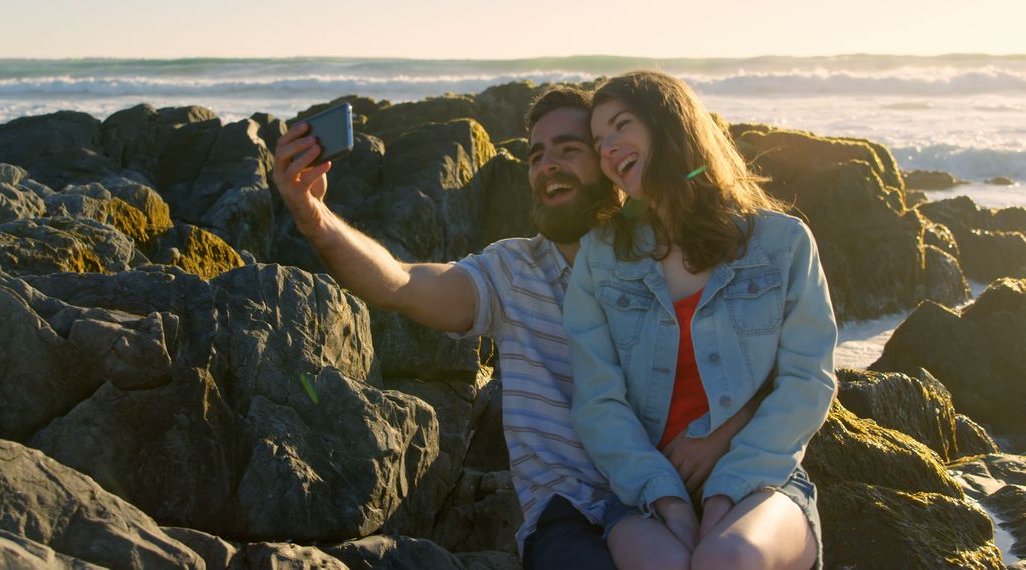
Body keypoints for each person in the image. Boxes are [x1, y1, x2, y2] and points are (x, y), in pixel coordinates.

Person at [273, 85, 758, 569]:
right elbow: (401, 283)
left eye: (569, 149)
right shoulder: (514, 270)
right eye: (536, 155)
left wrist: (723, 431)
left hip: (681, 495)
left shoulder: (667, 257)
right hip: (570, 517)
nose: (547, 164)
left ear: (611, 162)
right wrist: (315, 219)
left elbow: (776, 357)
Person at [563, 71, 836, 570]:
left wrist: (724, 490)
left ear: (670, 124)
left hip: (763, 478)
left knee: (726, 558)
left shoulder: (782, 243)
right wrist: (669, 500)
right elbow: (598, 401)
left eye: (621, 125)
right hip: (642, 490)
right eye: (599, 141)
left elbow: (807, 381)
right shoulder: (600, 259)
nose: (608, 149)